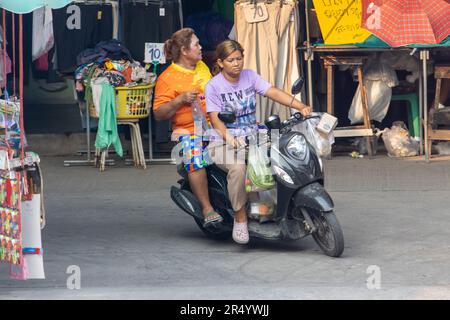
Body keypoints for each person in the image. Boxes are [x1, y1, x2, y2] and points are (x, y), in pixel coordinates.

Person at [205, 40, 312, 244]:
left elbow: (272, 91)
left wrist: (300, 105)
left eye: (239, 58)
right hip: (222, 141)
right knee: (238, 169)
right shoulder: (213, 86)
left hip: (253, 137)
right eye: (231, 60)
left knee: (283, 158)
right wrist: (229, 137)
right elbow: (215, 118)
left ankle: (279, 208)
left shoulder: (250, 76)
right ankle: (240, 218)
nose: (236, 63)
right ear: (220, 62)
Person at [153, 28, 222, 227]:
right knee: (195, 157)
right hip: (189, 131)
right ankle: (207, 208)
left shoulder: (201, 66)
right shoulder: (168, 77)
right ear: (184, 50)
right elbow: (159, 114)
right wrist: (179, 100)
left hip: (215, 124)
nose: (201, 48)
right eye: (196, 45)